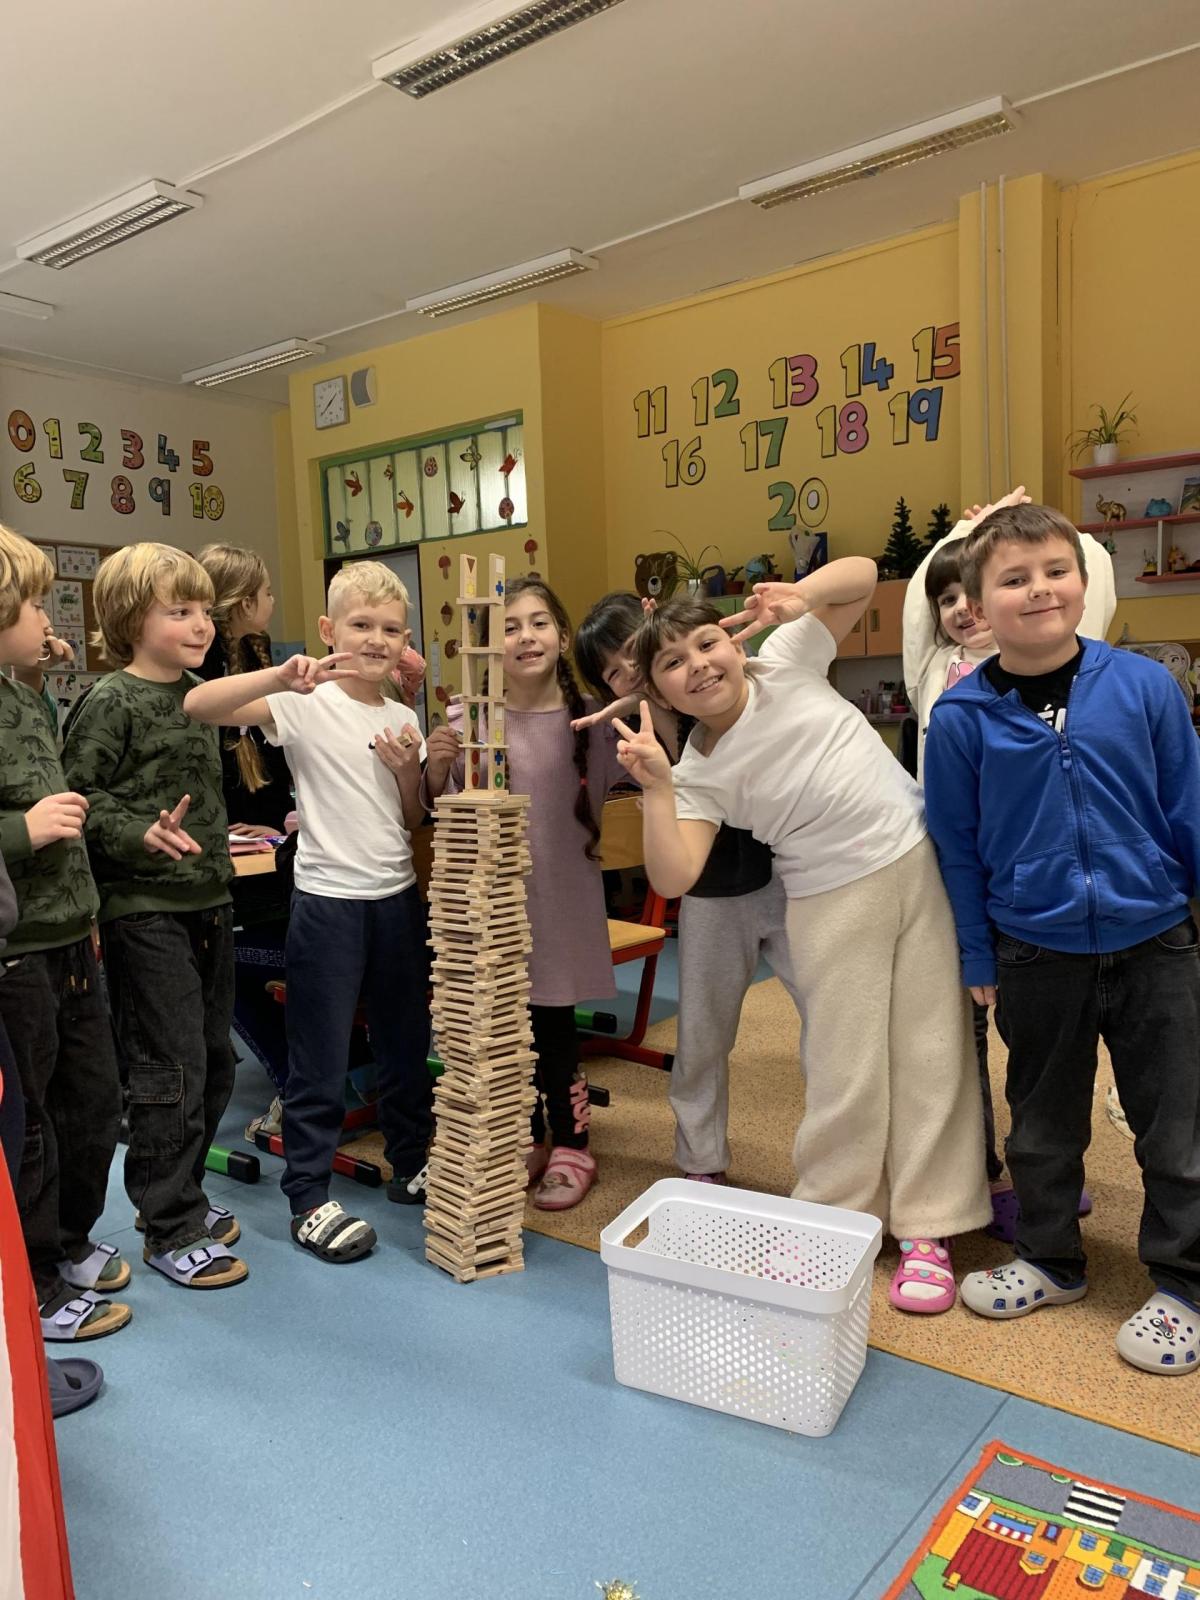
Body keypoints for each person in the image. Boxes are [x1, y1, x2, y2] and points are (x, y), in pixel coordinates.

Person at [619, 560, 991, 1313]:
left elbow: (864, 576)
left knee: (932, 1050)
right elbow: (675, 873)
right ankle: (834, 1215)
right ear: (659, 694)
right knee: (843, 1065)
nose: (699, 666)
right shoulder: (700, 770)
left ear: (732, 643)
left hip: (918, 860)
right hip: (828, 900)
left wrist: (802, 596)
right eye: (673, 664)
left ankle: (929, 1227)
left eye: (705, 645)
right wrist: (657, 789)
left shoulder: (785, 657)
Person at [923, 502, 1200, 1374]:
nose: (1039, 590)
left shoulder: (1145, 687)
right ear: (977, 606)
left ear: (1083, 583)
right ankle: (1049, 1259)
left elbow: (1187, 807)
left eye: (1055, 571)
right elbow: (957, 848)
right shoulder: (959, 719)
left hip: (1156, 940)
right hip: (1034, 950)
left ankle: (1186, 1283)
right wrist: (977, 953)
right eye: (1014, 579)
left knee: (1175, 1123)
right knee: (1041, 1124)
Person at [184, 560, 432, 1264]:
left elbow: (410, 817)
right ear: (328, 630)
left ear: (405, 640)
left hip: (395, 899)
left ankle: (412, 1161)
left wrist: (407, 772)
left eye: (390, 629)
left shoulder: (403, 717)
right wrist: (281, 676)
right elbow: (199, 705)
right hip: (327, 904)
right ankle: (308, 1195)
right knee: (317, 1055)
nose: (375, 639)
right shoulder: (305, 701)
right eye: (360, 624)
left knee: (405, 1044)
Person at [903, 490, 1114, 1240]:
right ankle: (981, 1173)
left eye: (975, 593)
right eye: (949, 600)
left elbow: (1088, 570)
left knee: (1044, 1042)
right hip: (955, 870)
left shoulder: (1062, 657)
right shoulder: (936, 672)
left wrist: (1004, 538)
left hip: (1044, 882)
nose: (962, 610)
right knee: (961, 1037)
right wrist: (967, 533)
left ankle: (1041, 1175)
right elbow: (923, 597)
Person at [62, 543, 246, 1292]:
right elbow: (77, 797)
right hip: (144, 911)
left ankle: (181, 1194)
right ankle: (170, 1223)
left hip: (210, 902)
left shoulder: (201, 695)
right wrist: (137, 829)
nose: (202, 624)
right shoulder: (111, 700)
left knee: (214, 1060)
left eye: (206, 610)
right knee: (168, 1068)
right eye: (180, 611)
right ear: (132, 620)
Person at [574, 591, 803, 1184]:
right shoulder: (640, 731)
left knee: (830, 1018)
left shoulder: (711, 682)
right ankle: (701, 1161)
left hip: (789, 876)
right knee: (701, 1038)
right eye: (613, 673)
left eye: (633, 652)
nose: (630, 673)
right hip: (709, 893)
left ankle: (850, 1156)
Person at [423, 577, 630, 1211]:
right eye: (509, 627)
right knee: (506, 1028)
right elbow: (440, 807)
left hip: (561, 899)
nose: (526, 636)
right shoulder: (468, 720)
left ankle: (573, 1143)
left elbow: (656, 764)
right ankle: (528, 1135)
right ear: (489, 646)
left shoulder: (594, 718)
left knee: (555, 1025)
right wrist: (435, 764)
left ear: (563, 636)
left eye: (539, 623)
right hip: (493, 906)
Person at [0, 524, 131, 1340]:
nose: (50, 619)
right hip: (19, 954)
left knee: (94, 1101)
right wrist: (24, 831)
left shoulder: (24, 691)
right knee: (36, 1120)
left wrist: (35, 666)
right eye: (34, 605)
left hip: (72, 936)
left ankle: (71, 1240)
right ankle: (38, 1279)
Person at [196, 544, 293, 1131]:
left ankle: (303, 1083)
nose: (273, 602)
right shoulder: (205, 679)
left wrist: (279, 825)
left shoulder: (259, 661)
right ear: (240, 603)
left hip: (276, 865)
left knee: (238, 966)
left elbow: (276, 777)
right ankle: (299, 1083)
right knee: (227, 965)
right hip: (240, 871)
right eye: (266, 592)